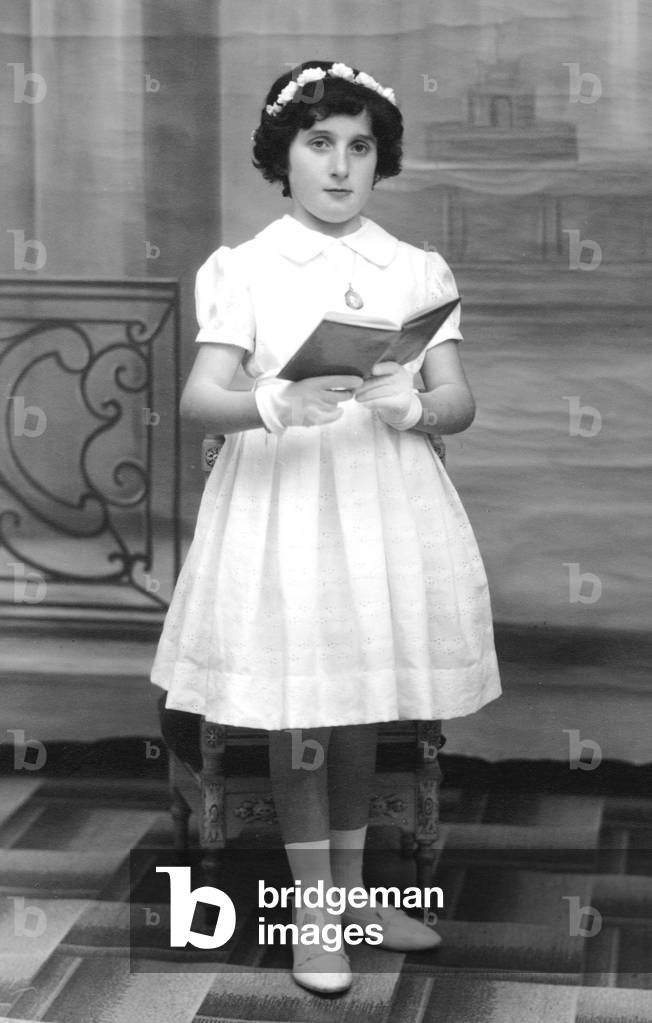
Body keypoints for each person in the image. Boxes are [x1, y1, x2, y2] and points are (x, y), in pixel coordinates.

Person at [151, 59, 502, 996]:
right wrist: (277, 396)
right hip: (286, 511)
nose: (341, 166)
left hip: (381, 504)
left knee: (354, 699)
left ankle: (348, 897)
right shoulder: (247, 266)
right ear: (285, 155)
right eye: (319, 144)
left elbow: (458, 399)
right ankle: (313, 907)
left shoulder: (416, 268)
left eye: (360, 146)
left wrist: (411, 406)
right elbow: (199, 400)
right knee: (304, 702)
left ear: (379, 159)